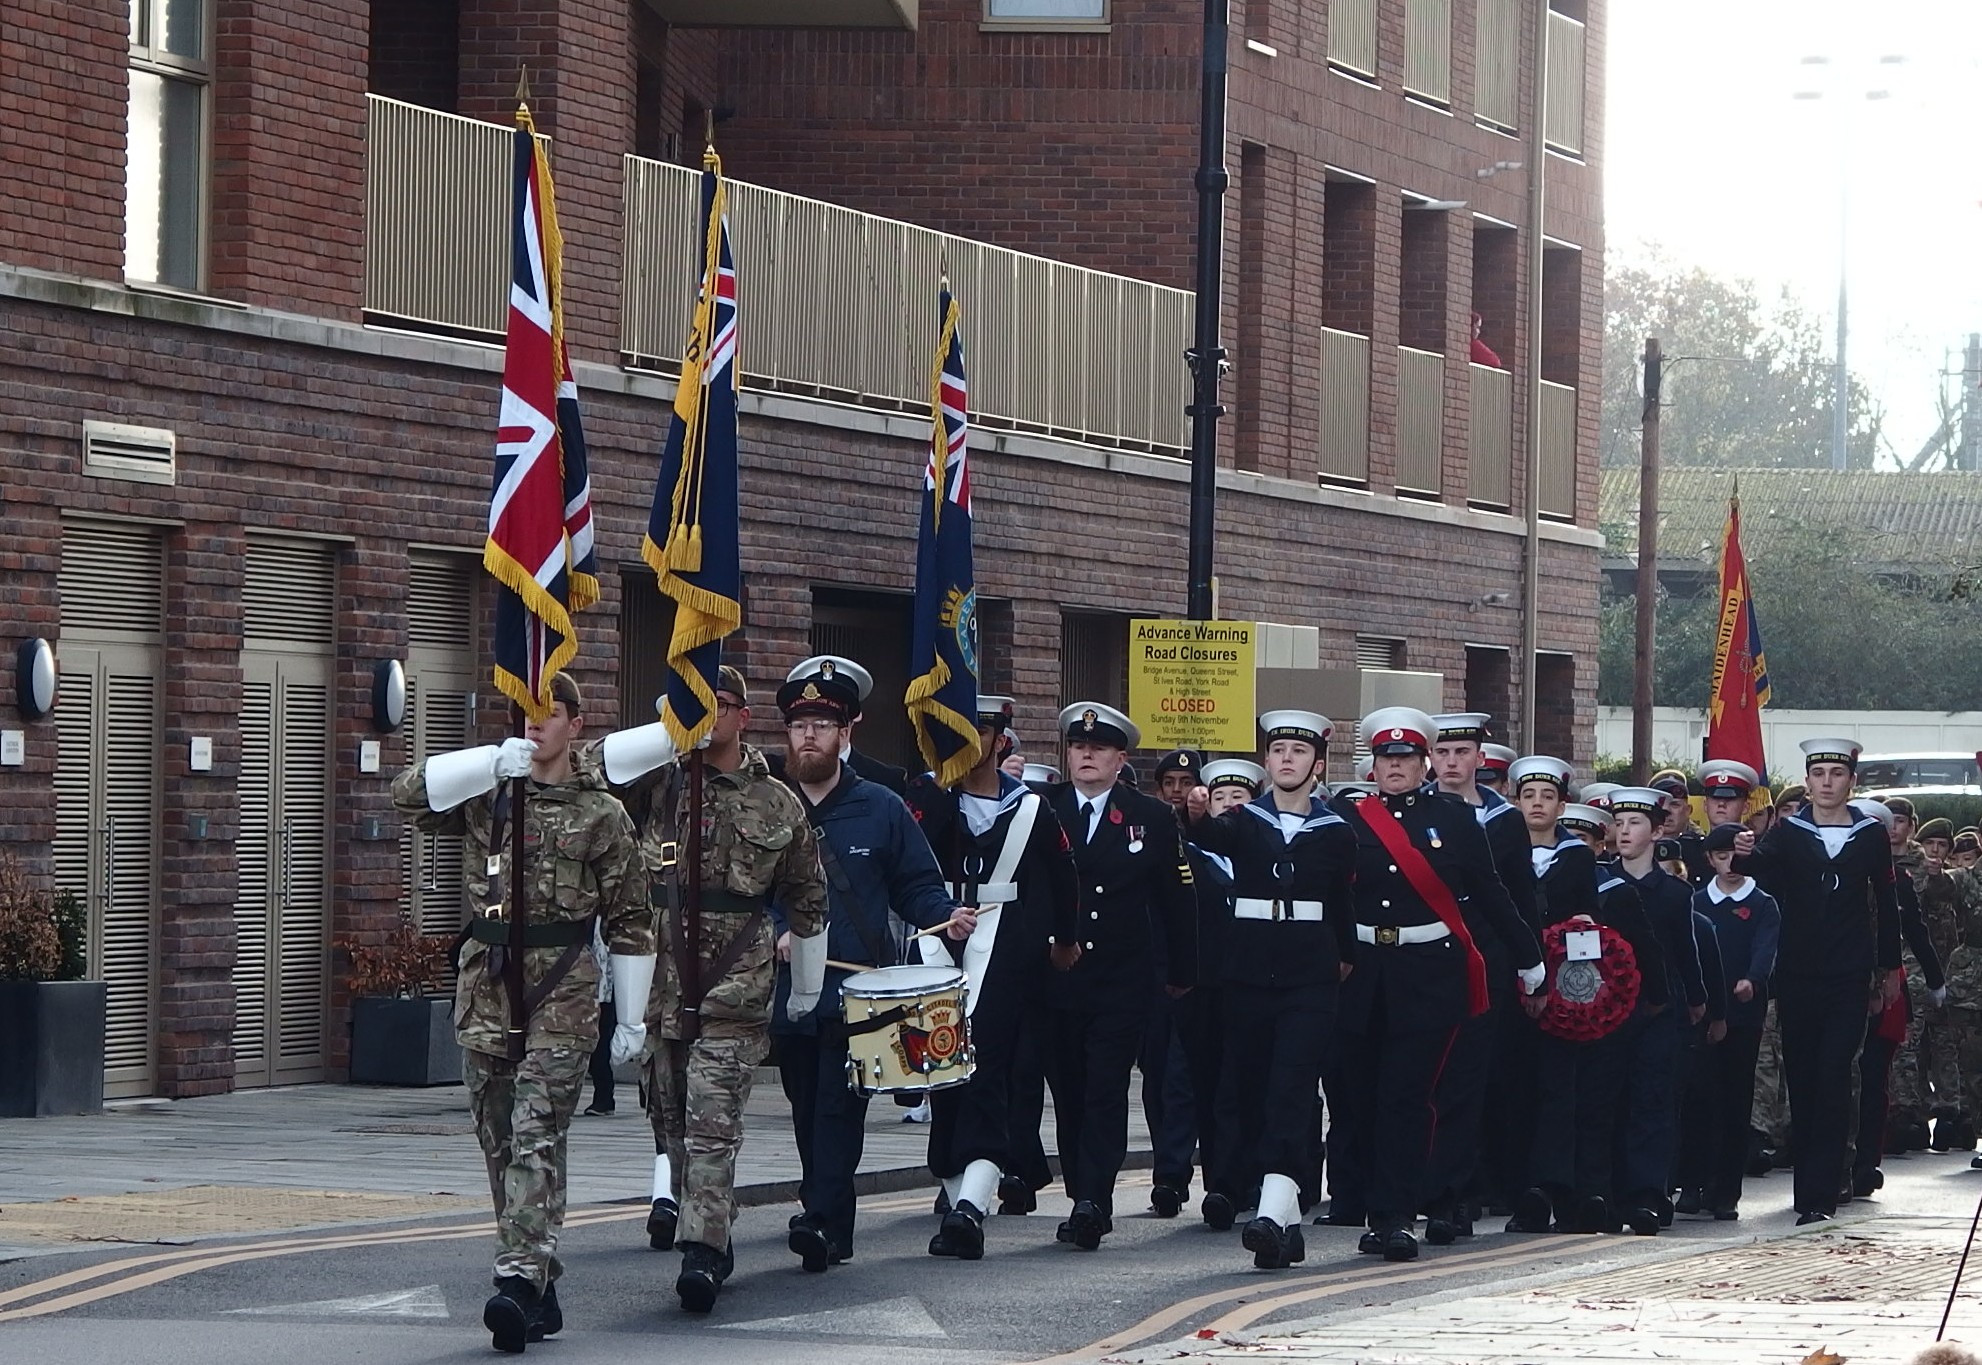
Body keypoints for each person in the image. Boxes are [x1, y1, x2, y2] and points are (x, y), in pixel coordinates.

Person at [391, 673, 649, 1352]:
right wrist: (485, 761)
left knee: (538, 1129)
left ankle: (514, 1277)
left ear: (576, 721)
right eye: (525, 714)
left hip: (563, 990)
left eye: (549, 713)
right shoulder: (489, 794)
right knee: (500, 1138)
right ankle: (540, 1281)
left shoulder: (602, 814)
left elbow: (630, 919)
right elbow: (406, 795)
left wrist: (632, 1015)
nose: (535, 725)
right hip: (488, 985)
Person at [595, 664, 829, 1313]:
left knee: (710, 1120)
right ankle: (703, 1214)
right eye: (695, 705)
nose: (708, 716)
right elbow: (594, 769)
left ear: (743, 716)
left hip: (735, 986)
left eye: (718, 704)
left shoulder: (775, 800)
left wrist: (806, 984)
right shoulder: (656, 785)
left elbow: (808, 896)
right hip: (661, 986)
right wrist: (668, 734)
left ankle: (706, 1247)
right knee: (669, 1120)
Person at [768, 657, 967, 1271]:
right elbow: (743, 890)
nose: (808, 736)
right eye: (799, 724)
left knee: (837, 1106)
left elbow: (917, 886)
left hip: (857, 992)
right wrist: (777, 933)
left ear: (846, 732)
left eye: (822, 725)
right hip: (783, 991)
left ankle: (822, 1220)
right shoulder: (765, 805)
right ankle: (826, 1214)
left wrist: (947, 916)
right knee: (805, 1105)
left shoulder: (880, 806)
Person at [1324, 707, 1544, 1263]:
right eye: (1384, 758)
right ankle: (1376, 1209)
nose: (1394, 767)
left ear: (1424, 763)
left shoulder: (1451, 819)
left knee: (1407, 1096)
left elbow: (1492, 893)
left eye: (1404, 758)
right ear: (1371, 765)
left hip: (1427, 974)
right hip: (1362, 973)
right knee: (1363, 1096)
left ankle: (1397, 1216)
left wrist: (1528, 957)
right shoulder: (1345, 817)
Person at [903, 695, 1080, 1260]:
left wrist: (1064, 940)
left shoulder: (1031, 808)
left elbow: (1062, 875)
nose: (965, 740)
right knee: (939, 1072)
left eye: (976, 730)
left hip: (1006, 952)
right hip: (936, 943)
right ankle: (955, 1196)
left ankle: (973, 1204)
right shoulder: (928, 799)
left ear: (1000, 740)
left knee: (985, 1075)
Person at [1183, 711, 1357, 1268]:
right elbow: (1213, 833)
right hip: (1250, 977)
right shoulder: (1244, 821)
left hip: (1310, 978)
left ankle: (1274, 1208)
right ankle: (1283, 1224)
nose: (1287, 758)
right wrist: (1193, 814)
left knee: (1291, 1088)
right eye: (1278, 749)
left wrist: (1344, 960)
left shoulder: (1335, 830)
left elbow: (1343, 905)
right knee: (1254, 1087)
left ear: (1318, 765)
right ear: (1266, 762)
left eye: (1299, 752)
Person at [1042, 702, 1197, 1250]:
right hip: (1056, 979)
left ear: (1119, 758)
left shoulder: (1150, 817)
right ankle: (1081, 1188)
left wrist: (1181, 972)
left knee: (1106, 1089)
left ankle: (1093, 1201)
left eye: (1099, 748)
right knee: (1068, 1090)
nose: (1087, 755)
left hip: (1119, 978)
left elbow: (1177, 900)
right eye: (1079, 747)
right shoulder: (1042, 808)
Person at [1733, 738, 1902, 1224]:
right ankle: (1806, 1185)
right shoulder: (1788, 832)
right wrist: (1740, 848)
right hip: (1799, 971)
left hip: (1849, 974)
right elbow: (1753, 875)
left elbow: (1886, 904)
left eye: (1837, 773)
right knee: (1805, 1078)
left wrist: (1888, 968)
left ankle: (1823, 1192)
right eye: (1819, 774)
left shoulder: (1869, 834)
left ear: (1852, 781)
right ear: (1807, 781)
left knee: (1834, 1074)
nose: (1828, 782)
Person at [1505, 756, 1667, 1236]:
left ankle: (1586, 1192)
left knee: (1584, 1097)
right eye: (1529, 796)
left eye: (1548, 796)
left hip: (1569, 1002)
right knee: (1527, 1096)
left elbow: (1592, 928)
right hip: (1514, 994)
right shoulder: (1502, 851)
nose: (1537, 804)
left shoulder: (1577, 861)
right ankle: (1532, 1189)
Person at [1423, 713, 1538, 1237]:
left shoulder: (1504, 819)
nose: (1451, 763)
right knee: (1425, 1081)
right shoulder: (1411, 812)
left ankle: (1462, 1192)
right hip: (1422, 958)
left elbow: (1518, 898)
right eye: (1442, 753)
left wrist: (1529, 965)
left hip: (1485, 960)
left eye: (1461, 753)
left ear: (1479, 758)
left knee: (1474, 1081)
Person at [1603, 787, 1707, 1235]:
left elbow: (1687, 953)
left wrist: (1699, 1001)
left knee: (1652, 1101)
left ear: (1657, 830)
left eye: (1636, 824)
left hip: (1659, 1008)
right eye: (1619, 823)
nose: (1625, 832)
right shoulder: (1598, 881)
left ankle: (1648, 1193)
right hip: (1605, 1011)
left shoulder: (1674, 893)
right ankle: (1606, 1193)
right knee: (1610, 1100)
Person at [1845, 798, 1945, 1197]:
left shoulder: (1898, 881)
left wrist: (1936, 980)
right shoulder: (1830, 875)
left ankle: (1866, 1161)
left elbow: (1916, 933)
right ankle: (1836, 1160)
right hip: (1841, 988)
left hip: (1885, 990)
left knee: (1873, 1080)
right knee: (1837, 1078)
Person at [1680, 825, 1779, 1220]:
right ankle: (1692, 1183)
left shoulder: (1762, 903)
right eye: (1722, 856)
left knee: (1735, 1099)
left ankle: (1726, 1191)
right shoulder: (1696, 901)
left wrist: (1752, 981)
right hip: (1701, 1013)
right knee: (1698, 1099)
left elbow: (1766, 949)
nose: (1730, 864)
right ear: (1709, 859)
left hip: (1742, 1015)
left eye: (1737, 855)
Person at [1186, 758, 1267, 1229]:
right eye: (1220, 800)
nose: (1229, 807)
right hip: (1207, 983)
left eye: (1239, 800)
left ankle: (1257, 1177)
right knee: (1211, 1085)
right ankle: (1221, 1182)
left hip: (1257, 981)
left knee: (1253, 1083)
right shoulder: (1193, 854)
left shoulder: (1263, 851)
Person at [1141, 747, 1209, 1217]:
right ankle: (1169, 1168)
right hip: (1159, 975)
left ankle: (1181, 1170)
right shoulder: (1148, 834)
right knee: (1158, 1076)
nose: (1178, 793)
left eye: (1187, 785)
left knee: (1191, 1078)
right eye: (1171, 785)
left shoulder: (1216, 836)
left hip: (1209, 976)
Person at [766, 655, 907, 794]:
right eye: (800, 724)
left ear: (854, 717)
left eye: (822, 724)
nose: (810, 734)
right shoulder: (771, 775)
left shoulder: (887, 781)